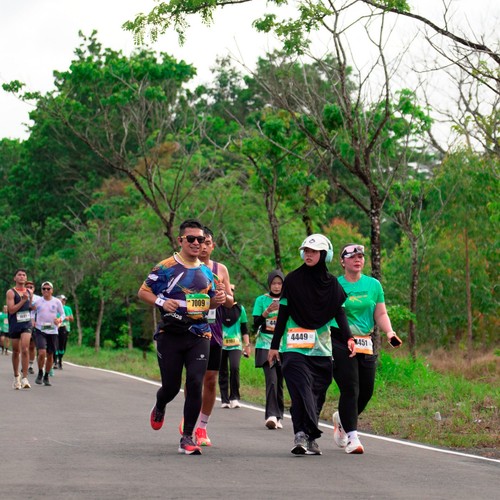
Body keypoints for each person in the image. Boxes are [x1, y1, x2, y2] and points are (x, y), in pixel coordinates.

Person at [138, 219, 226, 455]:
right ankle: (160, 404)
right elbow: (143, 292)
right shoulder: (165, 267)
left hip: (199, 334)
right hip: (171, 334)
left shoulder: (207, 272)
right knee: (171, 387)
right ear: (181, 240)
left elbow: (212, 301)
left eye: (201, 239)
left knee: (195, 383)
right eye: (191, 239)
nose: (196, 243)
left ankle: (187, 436)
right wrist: (161, 302)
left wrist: (218, 300)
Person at [268, 234, 354, 456]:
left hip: (321, 349)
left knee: (317, 393)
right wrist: (274, 346)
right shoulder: (292, 280)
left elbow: (340, 313)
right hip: (294, 348)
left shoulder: (332, 284)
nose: (309, 254)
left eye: (314, 251)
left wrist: (349, 338)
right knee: (301, 388)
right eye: (306, 251)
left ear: (324, 255)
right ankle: (301, 434)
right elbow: (283, 313)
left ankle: (310, 437)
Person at [331, 243, 402, 454]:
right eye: (352, 256)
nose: (357, 259)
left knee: (366, 390)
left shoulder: (373, 285)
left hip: (365, 341)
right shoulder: (335, 285)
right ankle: (353, 438)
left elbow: (380, 313)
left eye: (361, 256)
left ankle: (342, 419)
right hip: (340, 340)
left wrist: (389, 332)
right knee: (350, 387)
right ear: (342, 261)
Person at [186, 225, 234, 447]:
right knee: (194, 379)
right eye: (199, 242)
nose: (203, 247)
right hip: (191, 329)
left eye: (207, 243)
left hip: (214, 331)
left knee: (211, 379)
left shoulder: (220, 269)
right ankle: (189, 417)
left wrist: (223, 293)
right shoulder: (186, 267)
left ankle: (202, 426)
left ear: (213, 246)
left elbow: (231, 302)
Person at [252, 270, 286, 430]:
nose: (277, 286)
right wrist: (267, 311)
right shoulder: (261, 300)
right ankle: (271, 415)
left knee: (280, 382)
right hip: (265, 345)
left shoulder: (288, 300)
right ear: (269, 284)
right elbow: (255, 323)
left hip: (284, 346)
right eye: (274, 283)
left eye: (279, 283)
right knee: (271, 380)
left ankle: (279, 416)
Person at [218, 285, 250, 409]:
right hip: (221, 344)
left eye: (231, 291)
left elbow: (244, 329)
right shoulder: (218, 309)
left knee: (234, 368)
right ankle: (224, 399)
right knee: (222, 370)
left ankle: (234, 397)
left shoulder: (240, 309)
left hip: (236, 345)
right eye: (226, 291)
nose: (229, 293)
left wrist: (247, 345)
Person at [32, 282, 65, 386]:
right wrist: (33, 320)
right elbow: (32, 312)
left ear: (52, 290)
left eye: (48, 288)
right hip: (40, 330)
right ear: (41, 290)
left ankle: (46, 376)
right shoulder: (38, 301)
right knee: (42, 352)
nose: (46, 290)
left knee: (50, 354)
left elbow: (63, 314)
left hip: (52, 331)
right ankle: (40, 372)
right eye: (44, 289)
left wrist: (59, 320)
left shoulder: (57, 301)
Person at [6, 269, 33, 389]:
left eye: (24, 275)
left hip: (26, 324)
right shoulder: (11, 292)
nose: (22, 277)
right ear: (15, 278)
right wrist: (23, 300)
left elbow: (29, 307)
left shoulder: (29, 292)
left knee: (25, 349)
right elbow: (11, 310)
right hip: (14, 324)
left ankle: (25, 378)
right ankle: (16, 376)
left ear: (26, 278)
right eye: (19, 275)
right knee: (16, 351)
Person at [54, 295, 74, 369]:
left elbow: (72, 318)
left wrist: (67, 318)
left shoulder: (67, 308)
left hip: (65, 328)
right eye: (62, 300)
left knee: (62, 345)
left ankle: (60, 359)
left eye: (64, 300)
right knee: (55, 344)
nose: (63, 301)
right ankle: (55, 361)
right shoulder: (55, 308)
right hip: (55, 328)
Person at [25, 281, 39, 374]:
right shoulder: (20, 296)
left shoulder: (39, 298)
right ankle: (24, 365)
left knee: (32, 346)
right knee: (24, 346)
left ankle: (30, 365)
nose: (29, 288)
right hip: (24, 323)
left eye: (31, 287)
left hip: (35, 324)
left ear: (34, 289)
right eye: (27, 287)